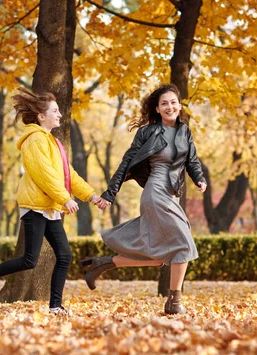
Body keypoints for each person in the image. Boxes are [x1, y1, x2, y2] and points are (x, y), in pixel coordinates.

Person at [0, 88, 108, 314]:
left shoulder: (52, 142)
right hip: (35, 206)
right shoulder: (34, 140)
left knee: (64, 256)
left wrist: (92, 196)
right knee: (30, 260)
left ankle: (55, 307)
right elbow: (44, 174)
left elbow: (67, 174)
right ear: (41, 116)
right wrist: (64, 198)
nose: (60, 114)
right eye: (55, 111)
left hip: (48, 206)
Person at [82, 83, 207, 315]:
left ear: (179, 106)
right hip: (155, 192)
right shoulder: (147, 133)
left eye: (173, 102)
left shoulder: (184, 131)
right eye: (164, 104)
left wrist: (199, 178)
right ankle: (175, 302)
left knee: (160, 256)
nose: (169, 107)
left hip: (172, 194)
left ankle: (105, 263)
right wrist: (110, 193)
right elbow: (126, 163)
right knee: (184, 245)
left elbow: (192, 161)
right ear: (157, 109)